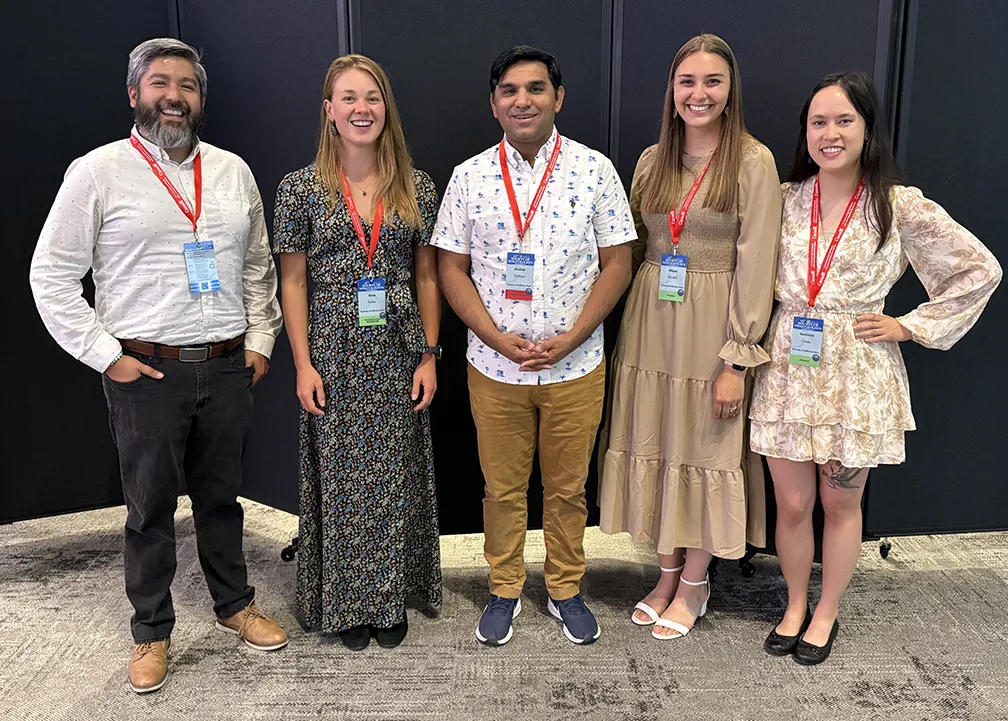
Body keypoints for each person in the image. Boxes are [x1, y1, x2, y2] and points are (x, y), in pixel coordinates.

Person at [29, 38, 287, 694]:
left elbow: (258, 264)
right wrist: (106, 356)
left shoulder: (232, 171)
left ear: (202, 99)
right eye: (159, 83)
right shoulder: (97, 172)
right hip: (147, 374)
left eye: (187, 86)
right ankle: (151, 628)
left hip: (228, 366)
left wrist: (261, 339)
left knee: (221, 500)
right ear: (134, 94)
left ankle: (234, 604)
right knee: (148, 508)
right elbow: (51, 274)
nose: (173, 95)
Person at [750, 71, 1002, 665]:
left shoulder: (898, 203)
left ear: (868, 129)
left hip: (856, 373)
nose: (830, 134)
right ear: (804, 132)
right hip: (787, 362)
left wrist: (909, 324)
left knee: (839, 503)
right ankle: (793, 603)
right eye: (818, 122)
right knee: (789, 503)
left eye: (844, 121)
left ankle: (827, 611)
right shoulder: (784, 199)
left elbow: (978, 268)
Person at [434, 45, 635, 647]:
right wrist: (495, 338)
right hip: (495, 366)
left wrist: (573, 336)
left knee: (570, 488)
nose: (523, 100)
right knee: (501, 487)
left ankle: (566, 586)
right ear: (494, 103)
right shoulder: (470, 177)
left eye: (536, 89)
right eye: (510, 91)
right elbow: (450, 267)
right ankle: (503, 586)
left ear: (559, 97)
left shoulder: (594, 170)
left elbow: (618, 262)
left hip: (577, 363)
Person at [597, 33, 782, 640]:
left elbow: (756, 269)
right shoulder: (651, 161)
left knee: (703, 448)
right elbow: (630, 249)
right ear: (672, 91)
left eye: (712, 82)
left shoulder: (752, 161)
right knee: (657, 441)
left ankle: (696, 584)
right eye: (687, 82)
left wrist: (737, 357)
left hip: (711, 332)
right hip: (651, 326)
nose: (698, 94)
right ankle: (666, 571)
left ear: (731, 92)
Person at [272, 55, 442, 652]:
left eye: (372, 97)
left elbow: (427, 276)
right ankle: (347, 601)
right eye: (348, 98)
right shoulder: (300, 189)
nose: (361, 109)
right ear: (329, 112)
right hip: (333, 355)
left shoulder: (417, 186)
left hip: (398, 351)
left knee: (394, 479)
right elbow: (292, 282)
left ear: (385, 108)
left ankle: (391, 595)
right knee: (343, 482)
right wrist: (302, 364)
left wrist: (428, 354)